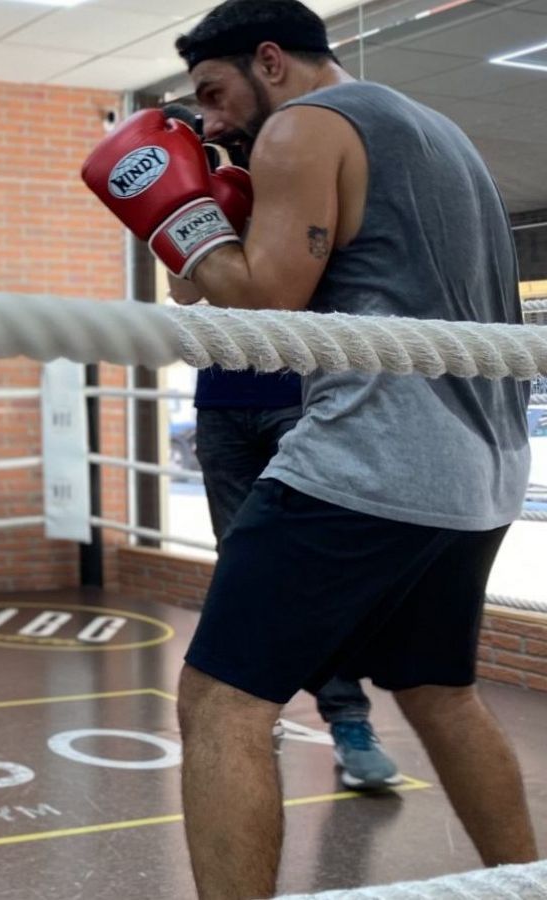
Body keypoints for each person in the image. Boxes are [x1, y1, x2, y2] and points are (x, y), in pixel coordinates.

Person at [84, 2, 535, 896]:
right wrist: (212, 225)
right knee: (440, 691)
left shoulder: (304, 127)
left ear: (271, 61)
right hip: (482, 472)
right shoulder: (435, 131)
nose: (209, 122)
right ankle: (528, 881)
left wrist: (173, 214)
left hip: (371, 461)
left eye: (214, 93)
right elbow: (229, 287)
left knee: (220, 702)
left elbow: (263, 308)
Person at [164, 104, 400, 792]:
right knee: (240, 571)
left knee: (303, 575)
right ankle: (249, 716)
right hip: (221, 408)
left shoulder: (294, 182)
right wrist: (187, 205)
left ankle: (349, 721)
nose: (211, 137)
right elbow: (184, 293)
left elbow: (305, 284)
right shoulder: (205, 199)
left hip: (296, 398)